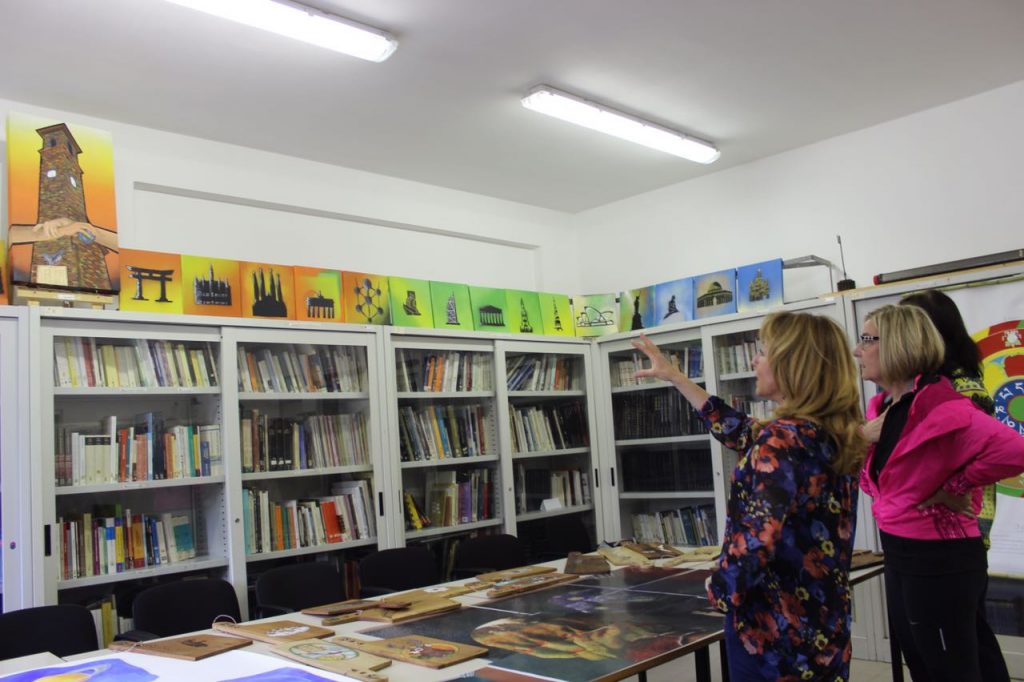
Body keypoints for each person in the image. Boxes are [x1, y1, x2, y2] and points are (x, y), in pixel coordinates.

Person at [632, 311, 866, 681]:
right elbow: (738, 430)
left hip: (772, 636)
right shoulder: (831, 434)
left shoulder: (781, 440)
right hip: (823, 628)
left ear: (792, 365)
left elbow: (756, 541)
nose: (755, 360)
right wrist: (677, 377)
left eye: (764, 352)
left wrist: (720, 589)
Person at [855, 304, 1024, 682]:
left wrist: (956, 485)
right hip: (901, 553)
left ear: (897, 344)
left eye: (867, 340)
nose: (857, 350)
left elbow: (1015, 450)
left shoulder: (937, 405)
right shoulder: (885, 407)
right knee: (924, 663)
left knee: (950, 669)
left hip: (939, 559)